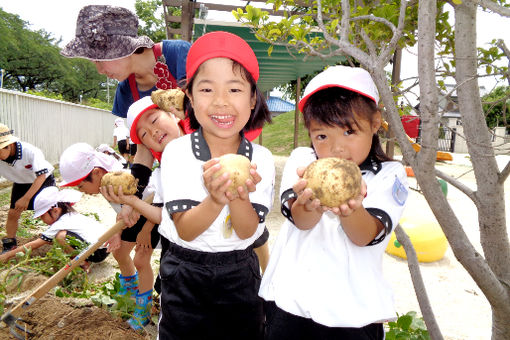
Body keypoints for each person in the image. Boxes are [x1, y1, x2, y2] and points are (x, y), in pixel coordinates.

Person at [259, 65, 409, 340]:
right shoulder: (303, 161)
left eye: (349, 132)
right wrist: (309, 202)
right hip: (290, 303)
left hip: (353, 315)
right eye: (322, 136)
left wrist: (352, 208)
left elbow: (365, 236)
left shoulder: (389, 175)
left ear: (375, 123)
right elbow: (301, 222)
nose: (336, 147)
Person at [156, 31, 274, 340]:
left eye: (234, 89)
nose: (221, 102)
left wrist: (237, 195)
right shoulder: (178, 153)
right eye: (207, 89)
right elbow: (186, 230)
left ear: (252, 99)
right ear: (191, 98)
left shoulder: (260, 158)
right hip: (185, 270)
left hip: (240, 271)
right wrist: (216, 198)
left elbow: (248, 231)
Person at [99, 95, 184, 330]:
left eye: (155, 119)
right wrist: (128, 207)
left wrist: (144, 226)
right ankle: (145, 304)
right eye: (144, 134)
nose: (153, 132)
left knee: (161, 266)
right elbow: (146, 180)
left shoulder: (194, 140)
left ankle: (152, 304)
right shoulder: (162, 160)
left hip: (179, 222)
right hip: (160, 210)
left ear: (173, 113)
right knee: (156, 265)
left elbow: (159, 208)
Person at [59, 142, 157, 330]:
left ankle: (144, 309)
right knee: (119, 252)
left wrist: (146, 231)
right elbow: (121, 211)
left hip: (153, 214)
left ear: (96, 172)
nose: (81, 191)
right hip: (133, 215)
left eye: (81, 185)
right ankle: (130, 293)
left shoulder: (125, 179)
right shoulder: (105, 184)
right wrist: (116, 233)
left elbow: (157, 198)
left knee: (141, 259)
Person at [0, 186, 110, 271]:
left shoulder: (60, 223)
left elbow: (34, 245)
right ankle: (82, 259)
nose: (43, 219)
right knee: (56, 238)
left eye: (43, 216)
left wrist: (7, 256)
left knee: (61, 237)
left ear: (55, 210)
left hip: (96, 252)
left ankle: (82, 264)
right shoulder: (71, 216)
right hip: (105, 248)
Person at [0, 124, 56, 253]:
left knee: (50, 213)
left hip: (42, 181)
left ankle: (62, 235)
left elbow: (41, 175)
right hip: (21, 183)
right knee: (13, 213)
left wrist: (26, 198)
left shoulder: (29, 151)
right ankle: (10, 243)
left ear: (8, 145)